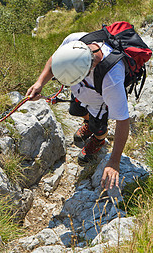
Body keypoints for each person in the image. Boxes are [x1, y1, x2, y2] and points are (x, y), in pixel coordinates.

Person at [26, 32, 130, 191]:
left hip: (99, 104)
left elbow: (123, 120)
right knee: (75, 109)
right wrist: (40, 82)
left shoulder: (111, 79)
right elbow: (54, 60)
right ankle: (88, 122)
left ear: (86, 72)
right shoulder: (74, 42)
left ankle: (99, 138)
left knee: (98, 127)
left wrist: (114, 161)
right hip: (81, 92)